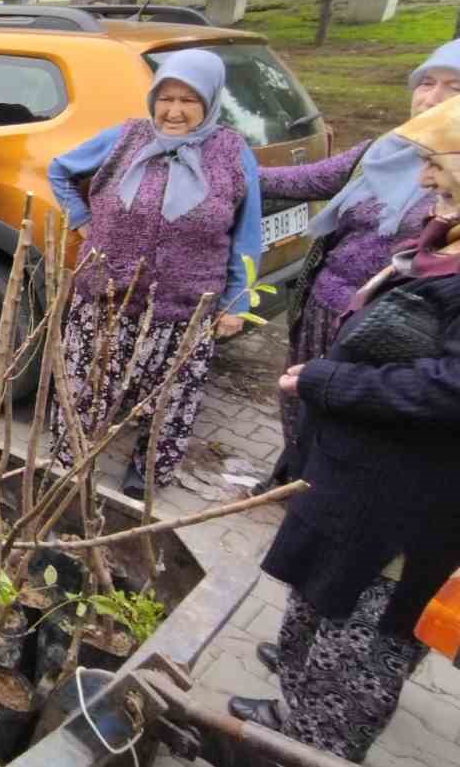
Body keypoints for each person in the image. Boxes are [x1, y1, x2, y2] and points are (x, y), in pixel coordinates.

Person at [230, 94, 460, 764]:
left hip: (414, 499)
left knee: (365, 631)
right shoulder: (443, 236)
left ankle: (315, 743)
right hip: (363, 473)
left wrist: (330, 382)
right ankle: (293, 701)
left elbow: (451, 387)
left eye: (437, 164)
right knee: (325, 594)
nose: (422, 180)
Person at [47, 48, 262, 498]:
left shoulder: (231, 153)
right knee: (87, 385)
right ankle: (70, 461)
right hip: (106, 295)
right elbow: (60, 169)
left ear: (209, 101)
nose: (174, 111)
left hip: (184, 305)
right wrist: (83, 220)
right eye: (166, 98)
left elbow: (246, 234)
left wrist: (235, 303)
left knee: (167, 400)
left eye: (188, 100)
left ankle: (143, 477)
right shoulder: (127, 137)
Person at [254, 39, 460, 488]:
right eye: (427, 83)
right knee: (298, 398)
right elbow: (310, 179)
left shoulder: (452, 180)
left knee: (350, 416)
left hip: (387, 332)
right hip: (321, 306)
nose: (433, 98)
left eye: (453, 87)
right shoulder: (380, 151)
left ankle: (320, 491)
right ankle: (293, 474)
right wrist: (230, 166)